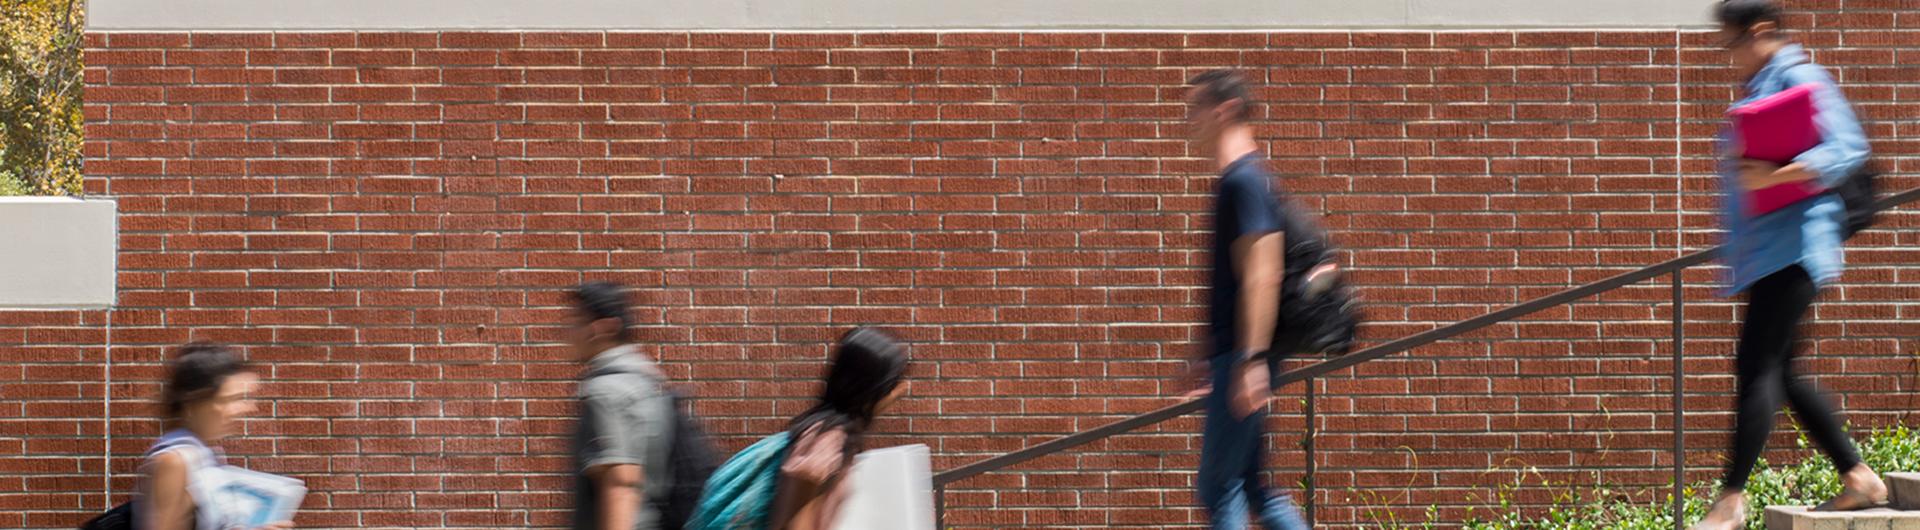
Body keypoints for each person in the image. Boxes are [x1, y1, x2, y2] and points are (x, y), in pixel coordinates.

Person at [1691, 2, 1884, 529]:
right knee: (1785, 373)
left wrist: (1773, 177)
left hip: (1797, 247)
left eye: (1730, 43)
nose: (1726, 56)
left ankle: (1731, 499)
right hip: (1770, 251)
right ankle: (1859, 477)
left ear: (1759, 31)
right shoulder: (1760, 87)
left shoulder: (1801, 76)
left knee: (1755, 365)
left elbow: (1847, 149)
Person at [1182, 68, 1311, 530]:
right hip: (1235, 353)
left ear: (1226, 109)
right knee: (1254, 487)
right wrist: (1204, 350)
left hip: (1243, 356)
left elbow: (1263, 272)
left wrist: (1250, 360)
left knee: (1219, 488)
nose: (1189, 120)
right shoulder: (1239, 181)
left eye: (1196, 108)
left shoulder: (1243, 180)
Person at [136, 343, 291, 530]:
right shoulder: (175, 461)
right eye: (233, 399)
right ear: (194, 402)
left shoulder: (204, 454)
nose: (248, 408)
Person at [767, 327, 910, 530]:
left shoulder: (829, 434)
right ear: (872, 389)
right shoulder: (826, 443)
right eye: (894, 383)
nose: (903, 389)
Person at [569, 281, 676, 530]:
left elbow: (621, 485)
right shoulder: (648, 382)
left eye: (576, 322)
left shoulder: (606, 392)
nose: (569, 332)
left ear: (603, 328)